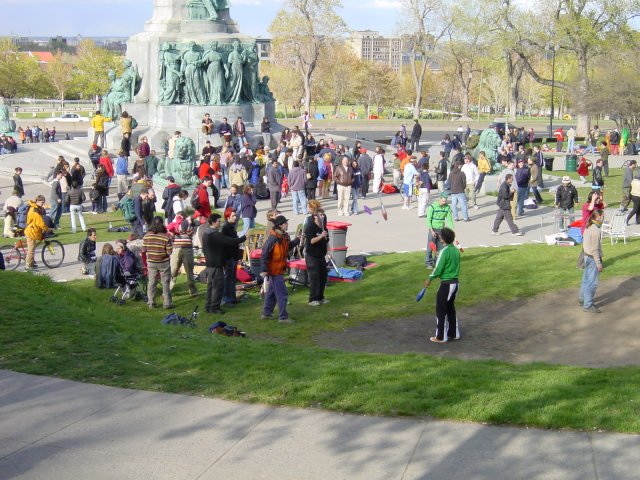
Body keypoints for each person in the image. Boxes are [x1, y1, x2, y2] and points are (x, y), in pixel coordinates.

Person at [202, 213, 247, 315]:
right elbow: (229, 241)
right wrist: (243, 238)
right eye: (218, 221)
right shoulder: (215, 234)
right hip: (216, 265)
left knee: (211, 287)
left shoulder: (206, 233)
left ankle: (208, 306)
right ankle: (214, 307)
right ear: (213, 222)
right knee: (218, 287)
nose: (220, 223)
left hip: (210, 265)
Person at [424, 227, 461, 344]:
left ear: (442, 239)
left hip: (446, 285)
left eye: (440, 237)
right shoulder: (455, 250)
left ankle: (440, 336)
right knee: (450, 308)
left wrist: (429, 279)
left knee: (440, 310)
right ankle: (453, 333)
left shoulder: (444, 252)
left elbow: (438, 269)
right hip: (455, 284)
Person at [261, 215, 300, 323]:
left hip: (278, 269)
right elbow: (264, 253)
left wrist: (297, 240)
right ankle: (283, 317)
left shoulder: (282, 236)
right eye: (286, 223)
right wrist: (264, 269)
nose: (287, 224)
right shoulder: (273, 238)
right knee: (282, 294)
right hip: (274, 270)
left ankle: (267, 313)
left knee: (272, 293)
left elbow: (286, 248)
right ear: (280, 225)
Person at [143, 216, 174, 309]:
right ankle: (167, 303)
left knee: (152, 282)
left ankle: (151, 302)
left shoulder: (147, 236)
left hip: (151, 262)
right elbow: (169, 252)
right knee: (165, 282)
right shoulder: (165, 237)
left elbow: (143, 250)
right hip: (163, 262)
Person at [304, 200, 329, 306]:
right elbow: (311, 241)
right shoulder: (310, 226)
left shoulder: (324, 226)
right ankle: (313, 299)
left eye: (323, 215)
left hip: (321, 254)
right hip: (312, 255)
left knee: (323, 276)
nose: (322, 217)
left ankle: (321, 297)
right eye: (320, 216)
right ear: (315, 217)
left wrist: (329, 250)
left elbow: (326, 240)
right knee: (314, 277)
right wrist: (321, 236)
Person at [579, 209, 604, 313]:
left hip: (586, 256)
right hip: (592, 258)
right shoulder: (596, 230)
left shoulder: (588, 226)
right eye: (603, 216)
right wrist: (598, 263)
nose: (603, 218)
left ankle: (582, 299)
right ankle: (588, 305)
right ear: (598, 217)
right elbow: (595, 249)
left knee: (585, 280)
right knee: (592, 282)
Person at [169, 213, 198, 297]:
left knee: (189, 271)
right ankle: (168, 291)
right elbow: (170, 232)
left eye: (180, 216)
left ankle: (193, 291)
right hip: (176, 249)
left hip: (187, 249)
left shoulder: (190, 224)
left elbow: (189, 232)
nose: (179, 218)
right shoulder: (173, 224)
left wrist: (188, 223)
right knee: (173, 270)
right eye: (177, 216)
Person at [425, 193, 454, 268]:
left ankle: (437, 261)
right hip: (433, 229)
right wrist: (432, 230)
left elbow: (449, 220)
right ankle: (428, 263)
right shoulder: (432, 207)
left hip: (441, 230)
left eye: (445, 201)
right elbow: (428, 220)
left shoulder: (447, 208)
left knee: (440, 248)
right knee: (430, 247)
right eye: (443, 201)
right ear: (439, 199)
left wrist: (451, 231)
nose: (444, 203)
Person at [24, 195, 49, 272]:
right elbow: (40, 223)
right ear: (37, 201)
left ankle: (31, 263)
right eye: (41, 202)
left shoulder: (35, 208)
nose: (42, 204)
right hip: (31, 232)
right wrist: (47, 229)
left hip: (32, 231)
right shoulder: (35, 211)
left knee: (32, 248)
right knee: (31, 250)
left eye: (43, 202)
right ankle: (28, 266)